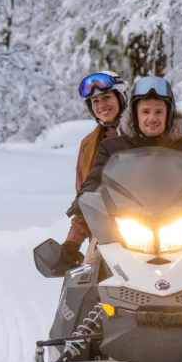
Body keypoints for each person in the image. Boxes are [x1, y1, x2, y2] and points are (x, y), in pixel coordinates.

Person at [67, 76, 182, 254]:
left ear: (169, 115)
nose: (152, 118)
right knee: (91, 269)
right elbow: (94, 178)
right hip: (122, 228)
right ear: (135, 115)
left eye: (159, 112)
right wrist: (84, 197)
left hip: (179, 228)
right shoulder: (113, 147)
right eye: (145, 112)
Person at [54, 71, 127, 268]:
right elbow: (84, 198)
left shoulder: (142, 135)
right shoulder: (89, 145)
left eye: (106, 97)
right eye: (95, 101)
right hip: (106, 233)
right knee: (87, 282)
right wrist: (72, 242)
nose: (101, 105)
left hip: (155, 226)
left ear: (121, 97)